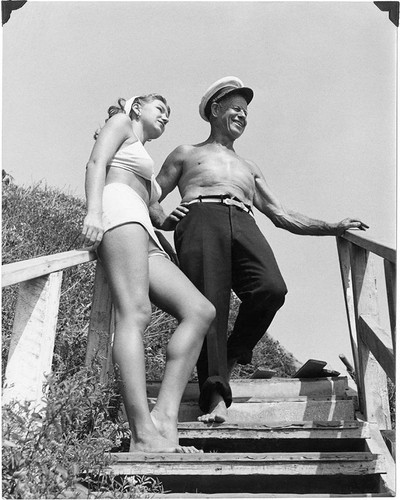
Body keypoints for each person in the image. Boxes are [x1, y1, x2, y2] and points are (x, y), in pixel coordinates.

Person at [150, 76, 369, 424]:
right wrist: (162, 218)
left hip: (244, 218)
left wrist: (332, 227)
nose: (242, 115)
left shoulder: (249, 168)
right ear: (215, 109)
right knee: (211, 306)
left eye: (246, 111)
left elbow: (281, 215)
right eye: (236, 108)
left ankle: (235, 353)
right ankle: (216, 398)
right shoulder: (186, 153)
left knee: (271, 288)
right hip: (200, 217)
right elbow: (152, 193)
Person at [81, 93, 215, 452]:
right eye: (161, 110)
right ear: (138, 108)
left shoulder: (143, 158)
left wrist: (164, 220)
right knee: (136, 312)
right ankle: (142, 434)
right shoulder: (121, 123)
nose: (167, 117)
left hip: (143, 228)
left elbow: (153, 207)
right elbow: (96, 163)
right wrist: (94, 211)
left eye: (170, 114)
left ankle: (163, 420)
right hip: (117, 211)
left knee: (200, 311)